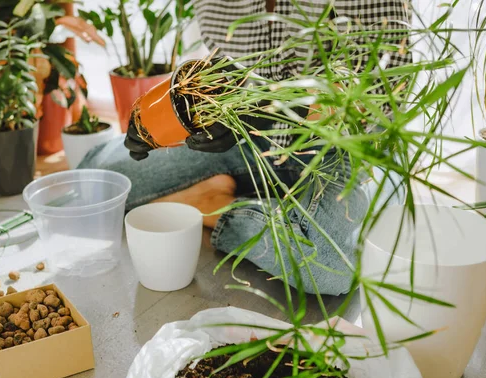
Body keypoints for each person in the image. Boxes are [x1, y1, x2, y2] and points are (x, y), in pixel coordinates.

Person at [79, 0, 411, 295]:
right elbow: (228, 70)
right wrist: (188, 102)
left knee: (328, 264)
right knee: (97, 182)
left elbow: (379, 84)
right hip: (251, 136)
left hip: (348, 145)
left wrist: (264, 111)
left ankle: (213, 205)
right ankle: (278, 211)